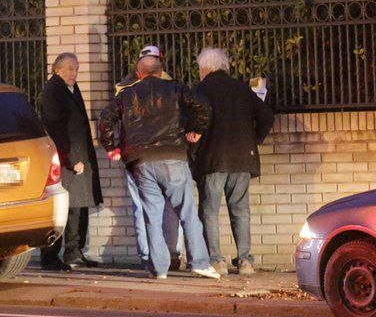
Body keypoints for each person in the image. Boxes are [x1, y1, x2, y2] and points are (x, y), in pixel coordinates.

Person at [99, 54, 219, 280]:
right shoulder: (175, 89)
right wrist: (197, 131)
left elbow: (105, 118)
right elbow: (203, 106)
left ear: (139, 73)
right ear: (160, 71)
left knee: (151, 216)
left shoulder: (127, 94)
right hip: (172, 155)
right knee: (187, 213)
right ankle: (200, 263)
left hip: (142, 161)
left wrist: (111, 147)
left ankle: (159, 269)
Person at [192, 47, 275, 276]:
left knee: (209, 211)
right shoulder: (242, 89)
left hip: (213, 159)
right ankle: (245, 260)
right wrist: (255, 138)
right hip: (242, 158)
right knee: (240, 210)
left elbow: (192, 124)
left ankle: (216, 260)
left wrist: (193, 153)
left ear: (205, 68)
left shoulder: (201, 90)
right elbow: (266, 115)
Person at [115, 45, 183, 271]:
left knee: (143, 208)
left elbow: (113, 118)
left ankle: (149, 256)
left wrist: (114, 146)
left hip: (137, 155)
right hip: (168, 153)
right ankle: (172, 254)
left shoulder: (124, 87)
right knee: (173, 207)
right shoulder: (172, 85)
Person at [37, 52, 103, 271]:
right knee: (63, 210)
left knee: (78, 207)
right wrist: (72, 159)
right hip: (66, 161)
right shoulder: (53, 91)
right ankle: (50, 256)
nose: (74, 73)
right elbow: (56, 128)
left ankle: (74, 253)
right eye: (69, 68)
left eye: (76, 69)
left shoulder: (70, 89)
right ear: (56, 69)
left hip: (78, 158)